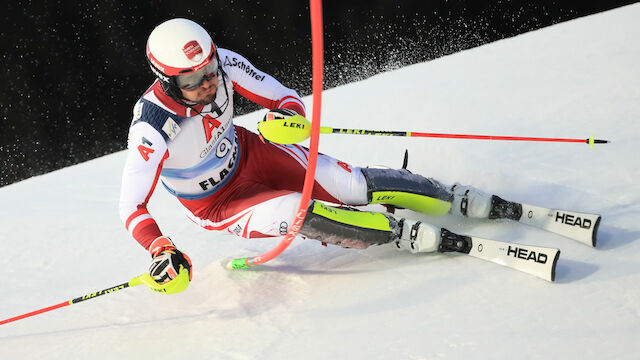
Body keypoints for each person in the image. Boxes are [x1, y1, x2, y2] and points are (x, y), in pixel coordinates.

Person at [119, 18, 519, 293]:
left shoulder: (221, 64)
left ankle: (452, 196)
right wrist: (160, 247)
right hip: (219, 203)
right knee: (299, 211)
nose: (208, 83)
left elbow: (285, 98)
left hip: (252, 153)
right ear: (167, 81)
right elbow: (130, 206)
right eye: (192, 80)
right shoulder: (151, 127)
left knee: (351, 185)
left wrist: (287, 118)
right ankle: (397, 234)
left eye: (209, 69)